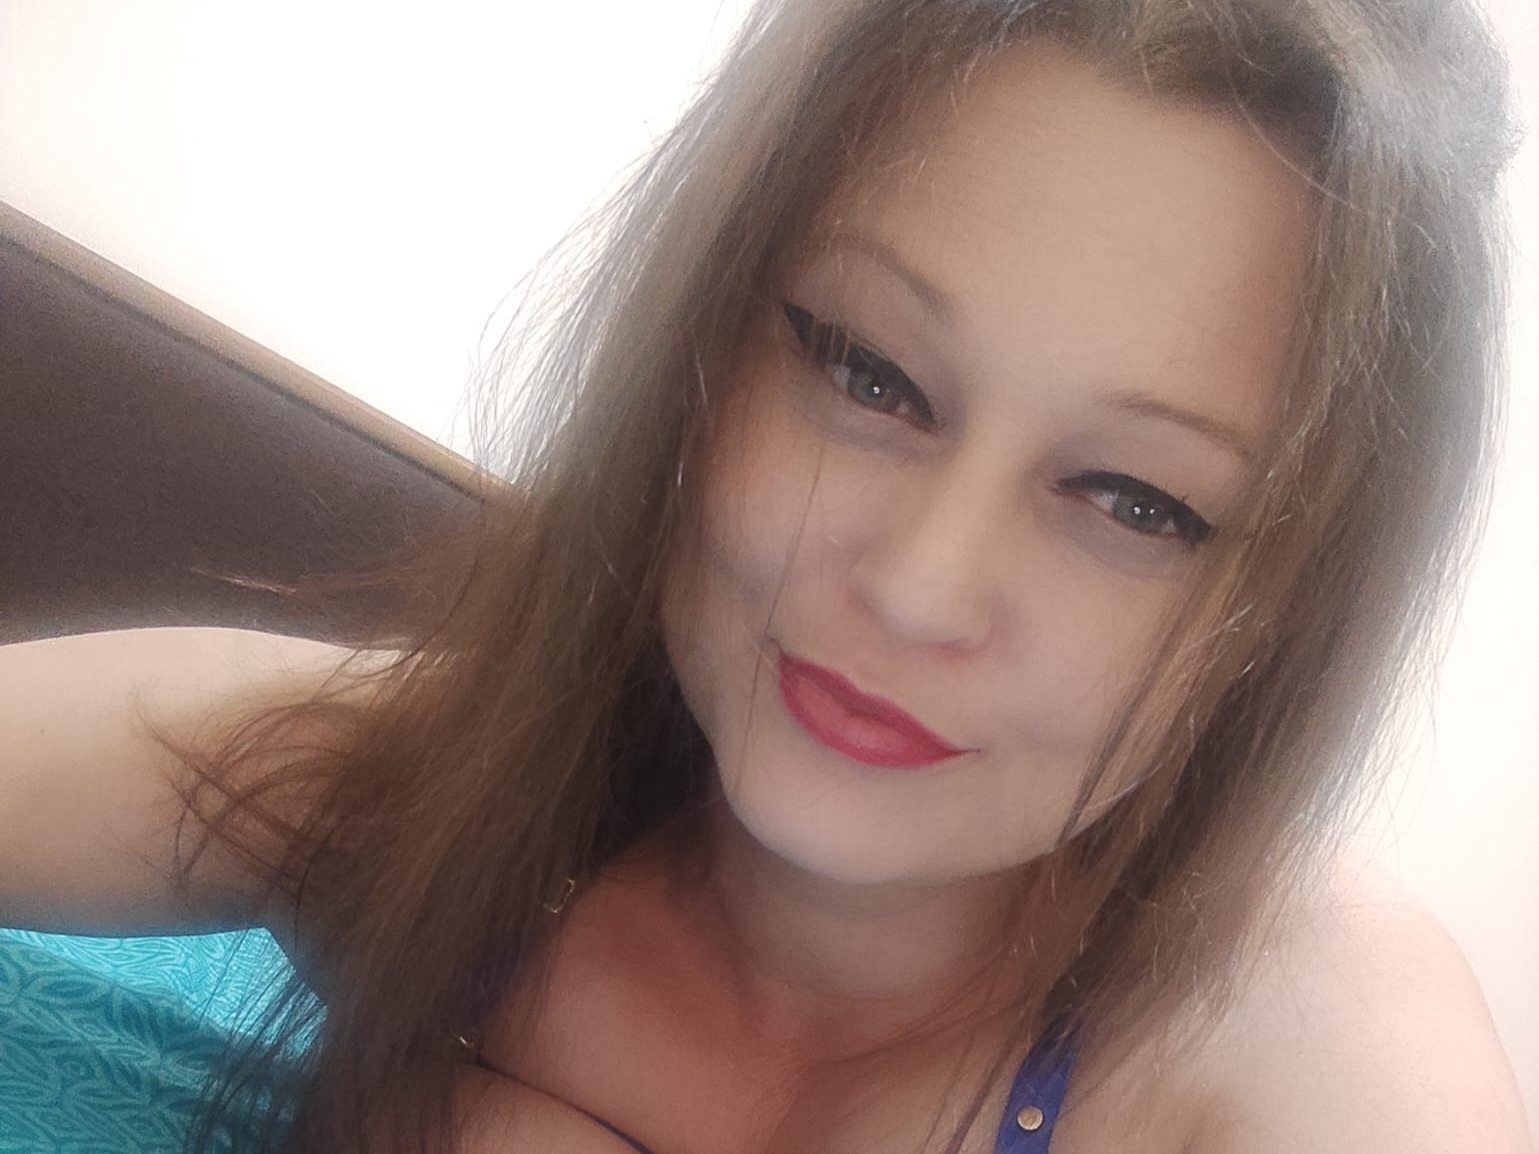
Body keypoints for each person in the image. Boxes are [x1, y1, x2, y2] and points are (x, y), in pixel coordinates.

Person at [0, 0, 1530, 1151]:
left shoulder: (1300, 1044)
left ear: (1282, 619)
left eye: (1138, 501)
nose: (922, 586)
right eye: (868, 371)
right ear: (702, 355)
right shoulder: (439, 804)